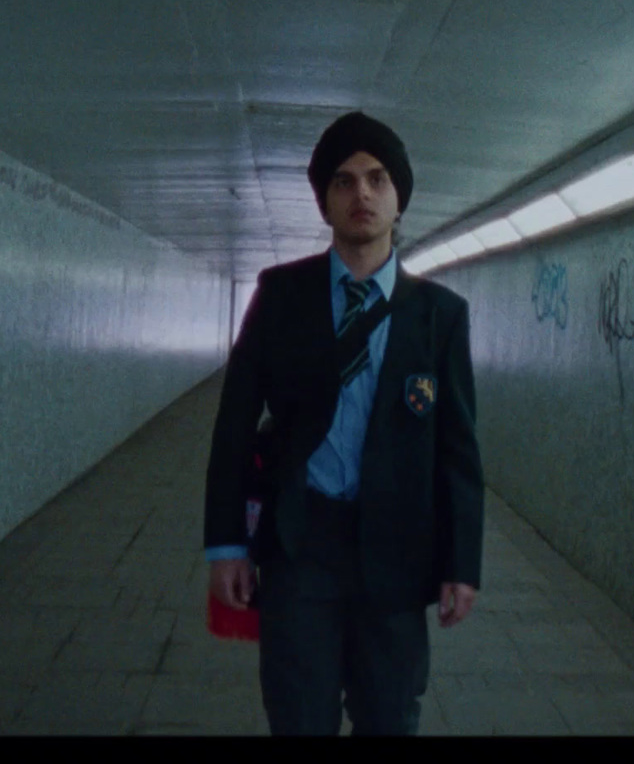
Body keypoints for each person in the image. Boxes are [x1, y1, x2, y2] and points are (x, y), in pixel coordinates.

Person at [202, 110, 485, 736]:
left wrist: (462, 562)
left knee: (389, 716)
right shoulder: (281, 295)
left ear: (398, 199)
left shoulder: (440, 315)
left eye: (377, 179)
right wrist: (227, 545)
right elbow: (234, 423)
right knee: (298, 714)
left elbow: (458, 450)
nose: (362, 194)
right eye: (344, 181)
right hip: (303, 540)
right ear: (325, 203)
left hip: (398, 548)